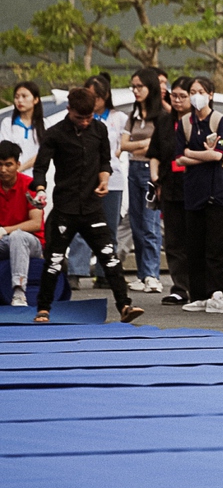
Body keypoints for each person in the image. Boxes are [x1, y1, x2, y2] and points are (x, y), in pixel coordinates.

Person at [30, 87, 142, 323]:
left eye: (89, 117)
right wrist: (40, 190)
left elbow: (105, 161)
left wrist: (104, 180)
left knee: (109, 257)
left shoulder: (99, 129)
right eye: (80, 117)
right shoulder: (55, 134)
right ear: (69, 110)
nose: (84, 122)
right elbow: (40, 168)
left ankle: (125, 306)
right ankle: (43, 308)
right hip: (64, 208)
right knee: (53, 260)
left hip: (92, 208)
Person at [177, 77, 223, 315]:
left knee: (215, 245)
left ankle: (216, 293)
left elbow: (218, 155)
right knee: (194, 245)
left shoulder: (219, 120)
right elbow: (178, 157)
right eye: (193, 91)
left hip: (216, 191)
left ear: (210, 94)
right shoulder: (184, 122)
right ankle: (198, 294)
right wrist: (202, 153)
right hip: (193, 190)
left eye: (200, 91)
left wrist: (192, 153)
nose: (196, 96)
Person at [67, 75, 128, 291]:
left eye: (95, 97)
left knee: (108, 228)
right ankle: (75, 270)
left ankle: (104, 273)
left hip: (112, 179)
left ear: (105, 97)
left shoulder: (119, 117)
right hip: (84, 180)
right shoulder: (79, 119)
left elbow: (122, 146)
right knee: (78, 225)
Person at [149, 76, 193, 305]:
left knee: (194, 238)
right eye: (173, 95)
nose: (177, 100)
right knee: (174, 240)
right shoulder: (165, 122)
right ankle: (180, 288)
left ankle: (199, 287)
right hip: (170, 185)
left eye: (182, 96)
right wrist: (155, 179)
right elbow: (154, 153)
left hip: (194, 186)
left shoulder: (199, 121)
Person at [120, 67, 164, 293]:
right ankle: (142, 273)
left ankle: (153, 274)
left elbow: (158, 145)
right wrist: (144, 144)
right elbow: (124, 144)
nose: (136, 91)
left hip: (151, 169)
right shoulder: (133, 115)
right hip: (134, 167)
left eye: (140, 86)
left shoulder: (161, 113)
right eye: (133, 86)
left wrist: (143, 145)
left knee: (150, 223)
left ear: (151, 87)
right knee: (136, 222)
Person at [0, 141, 44, 307]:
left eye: (8, 165)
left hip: (31, 242)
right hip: (4, 242)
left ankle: (19, 292)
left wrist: (5, 230)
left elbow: (36, 223)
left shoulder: (29, 185)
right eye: (0, 165)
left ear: (18, 164)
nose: (3, 170)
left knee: (18, 236)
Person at [0, 82, 46, 174]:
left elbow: (43, 153)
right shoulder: (8, 123)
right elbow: (5, 151)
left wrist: (20, 169)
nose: (20, 100)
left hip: (36, 177)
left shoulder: (45, 125)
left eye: (24, 96)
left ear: (36, 99)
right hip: (12, 178)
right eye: (17, 97)